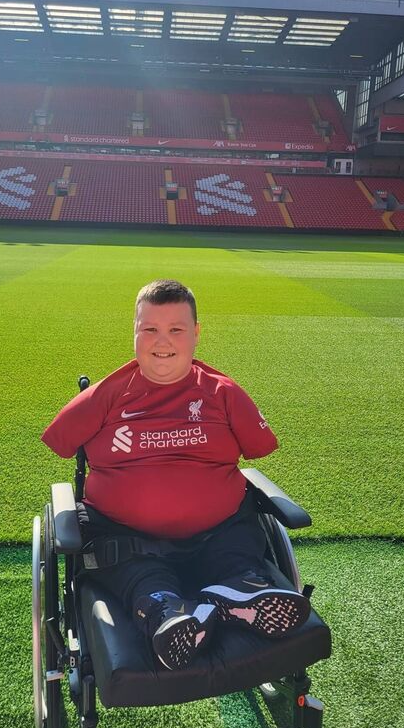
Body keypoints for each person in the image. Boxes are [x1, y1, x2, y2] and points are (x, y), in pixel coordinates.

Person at [42, 279, 310, 670]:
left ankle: (238, 592)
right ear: (134, 332)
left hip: (219, 533)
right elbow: (61, 439)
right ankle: (169, 613)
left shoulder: (223, 392)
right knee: (140, 577)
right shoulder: (104, 395)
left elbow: (258, 448)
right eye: (150, 328)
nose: (162, 341)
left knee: (237, 552)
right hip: (127, 539)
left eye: (176, 329)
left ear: (196, 333)